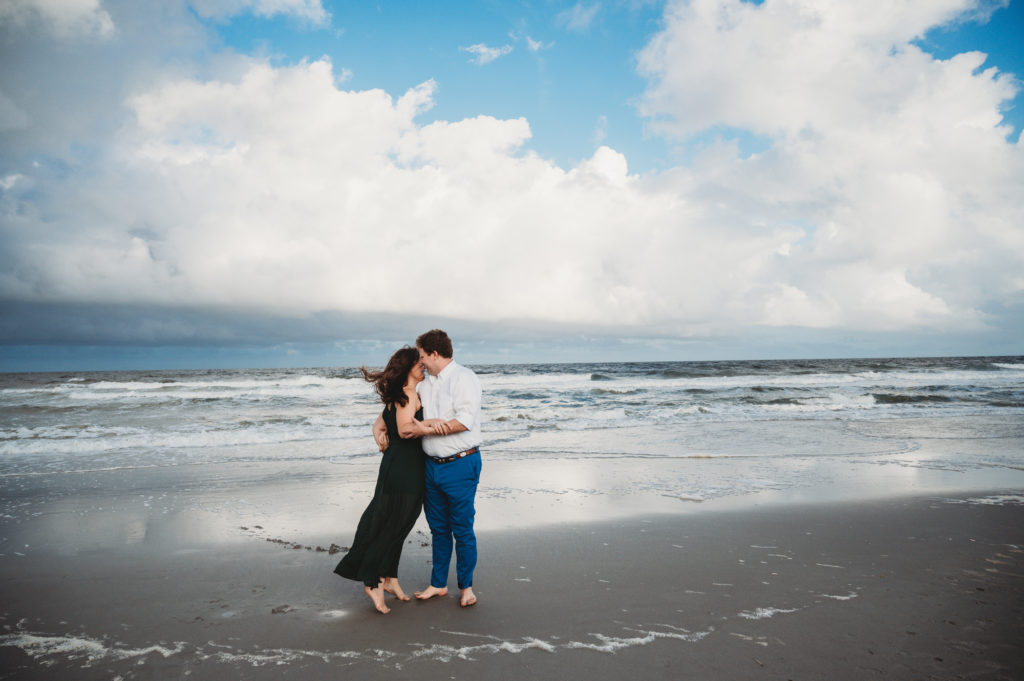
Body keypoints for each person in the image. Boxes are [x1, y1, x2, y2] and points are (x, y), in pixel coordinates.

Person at [334, 346, 445, 614]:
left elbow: (378, 426)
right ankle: (372, 581)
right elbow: (406, 429)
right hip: (404, 468)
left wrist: (379, 436)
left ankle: (390, 579)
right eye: (419, 363)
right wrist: (435, 421)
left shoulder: (402, 396)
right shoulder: (407, 395)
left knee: (398, 520)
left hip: (398, 465)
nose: (423, 366)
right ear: (408, 368)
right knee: (395, 521)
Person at [409, 329, 483, 608]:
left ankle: (466, 587)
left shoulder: (465, 378)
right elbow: (405, 405)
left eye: (423, 356)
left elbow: (464, 420)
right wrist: (379, 425)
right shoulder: (424, 385)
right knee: (438, 530)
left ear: (435, 354)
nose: (421, 362)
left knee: (462, 529)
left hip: (461, 464)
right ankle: (438, 584)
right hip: (431, 467)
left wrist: (433, 427)